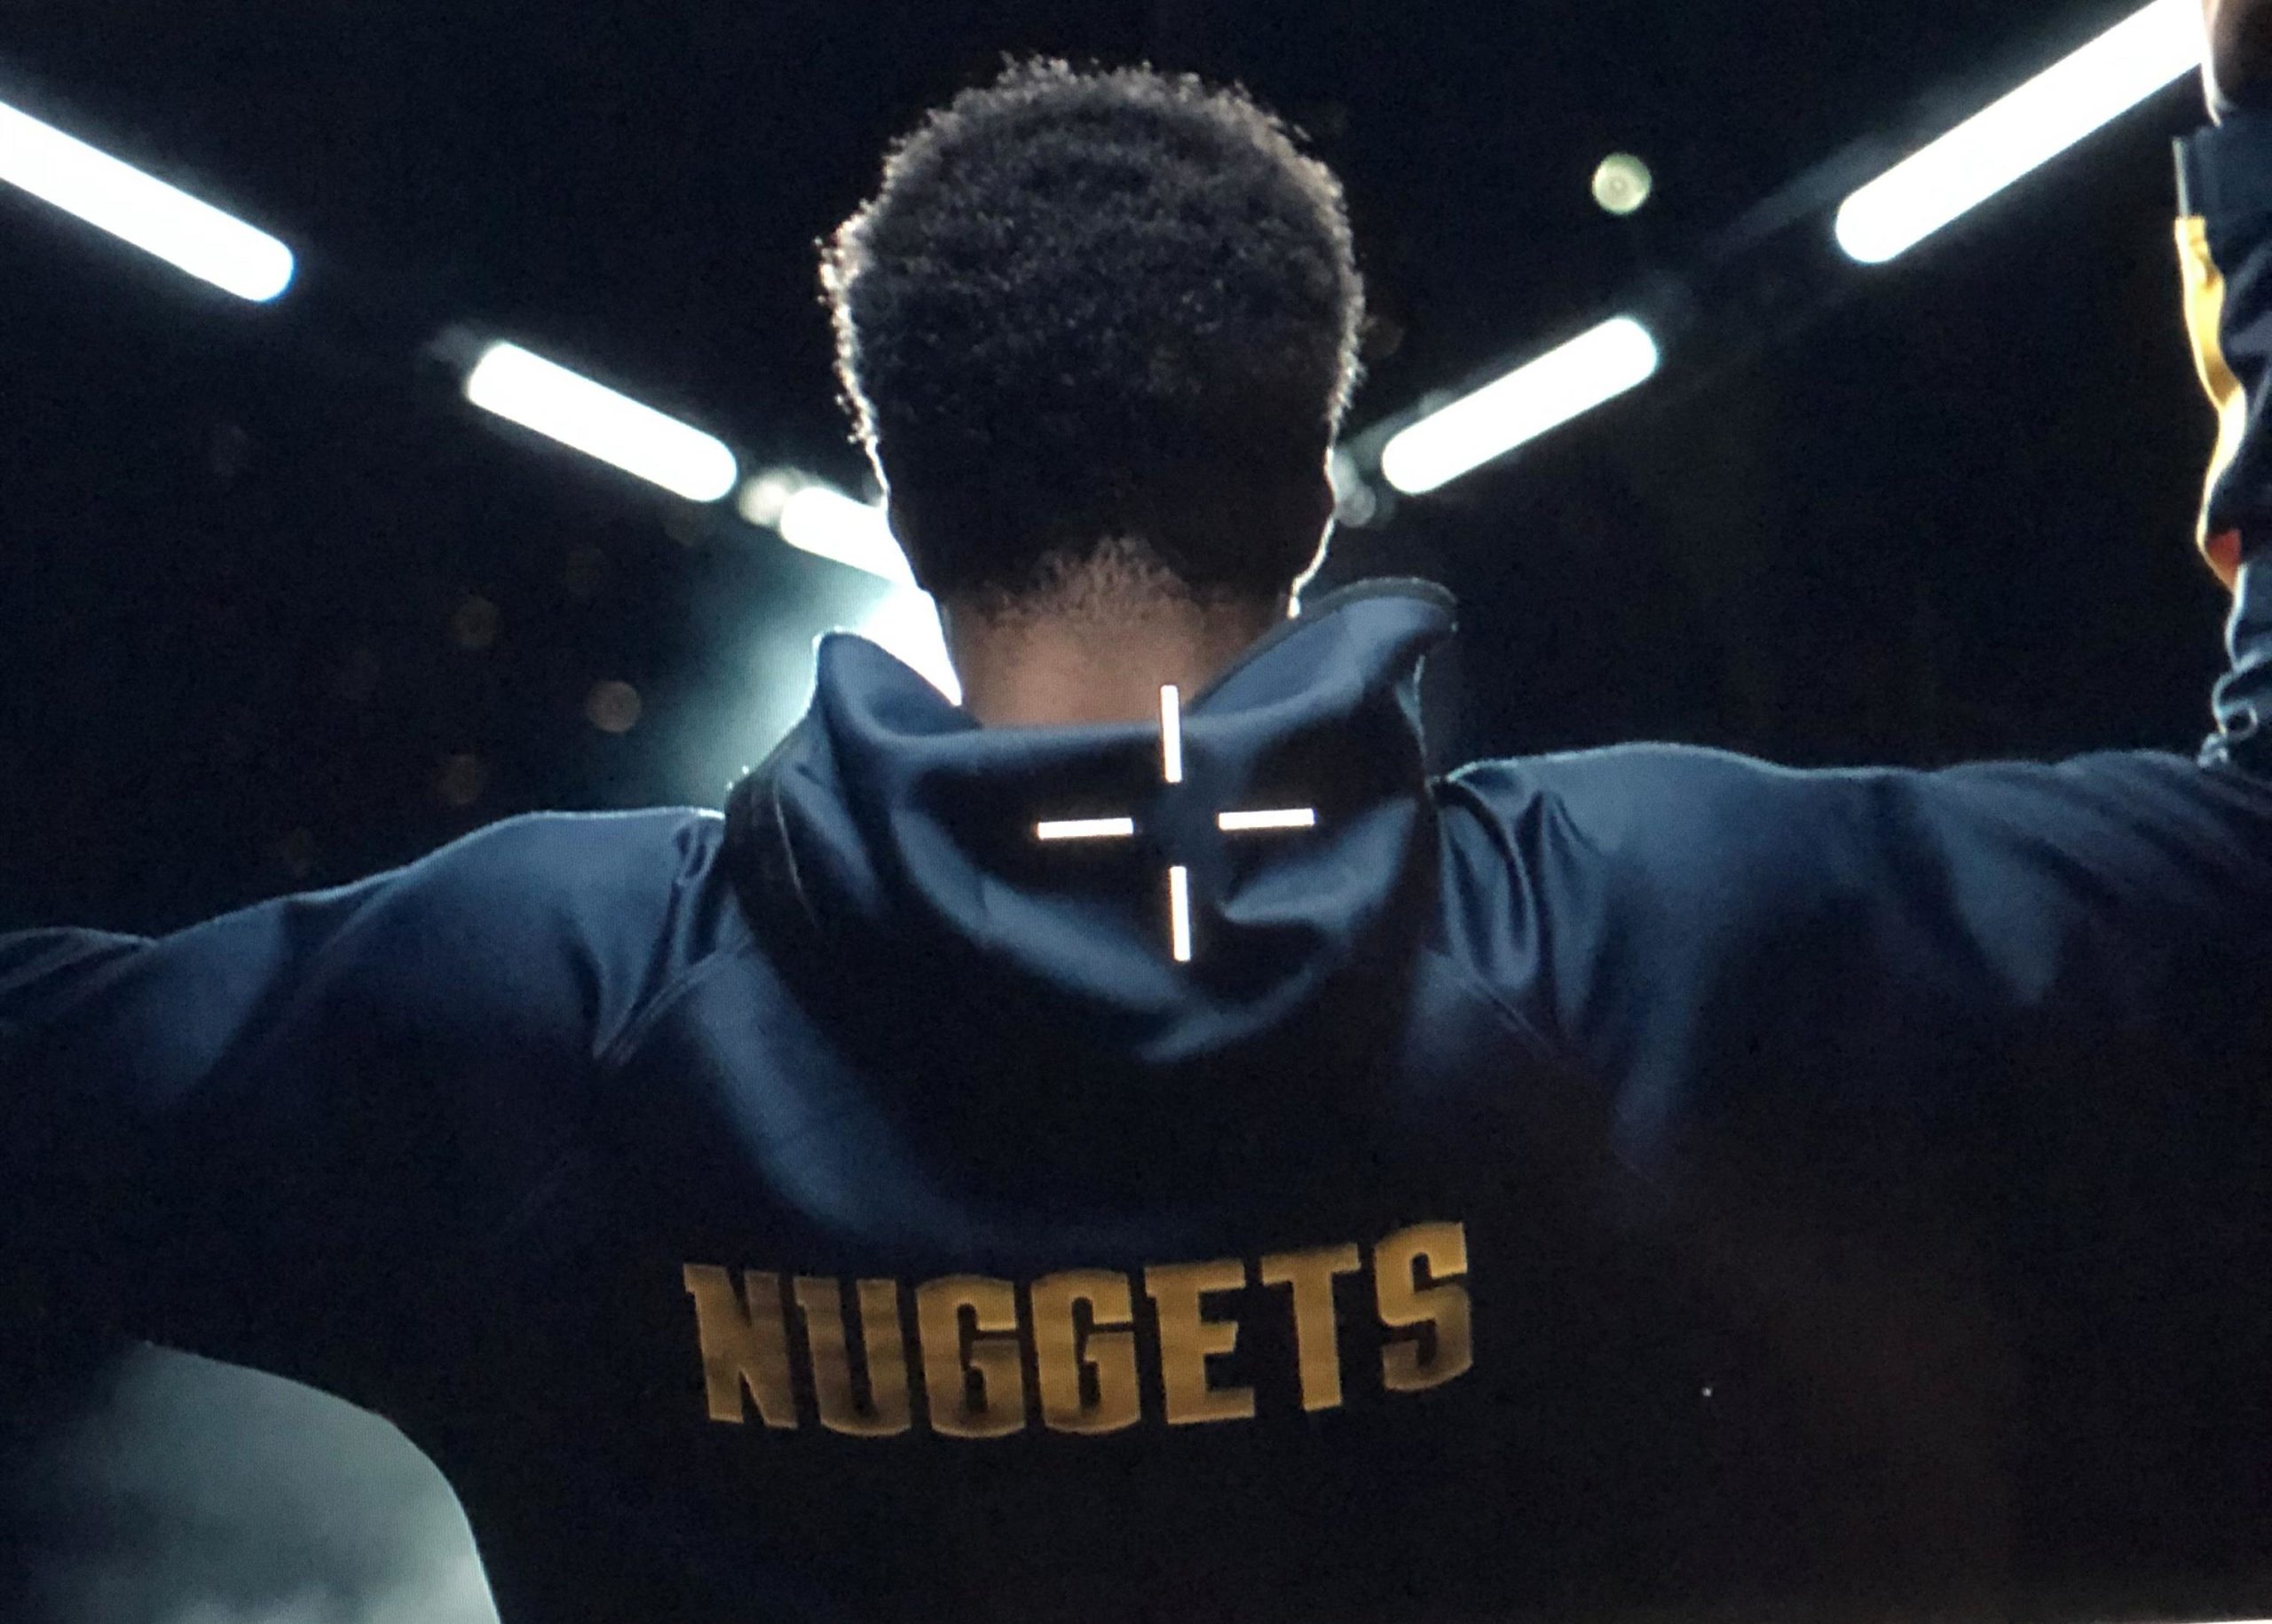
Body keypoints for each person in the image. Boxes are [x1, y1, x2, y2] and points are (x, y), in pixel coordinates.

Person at [9, 12, 2272, 1620]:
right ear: (1308, 483)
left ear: (900, 483)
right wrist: (2252, 149)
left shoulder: (533, 1010)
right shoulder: (1673, 928)